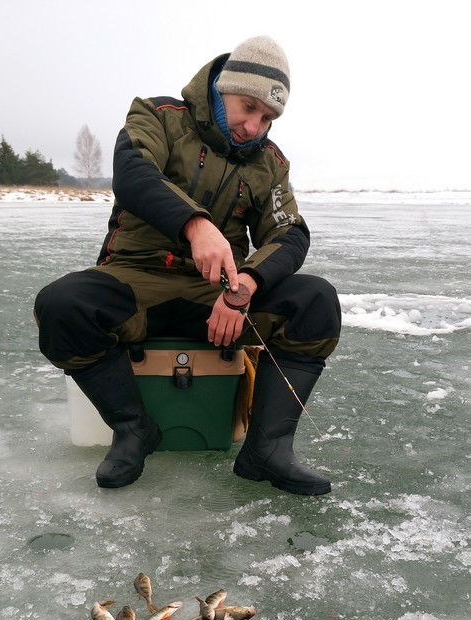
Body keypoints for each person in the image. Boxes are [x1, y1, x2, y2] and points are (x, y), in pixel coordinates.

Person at [34, 35, 341, 495]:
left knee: (315, 301)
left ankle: (266, 450)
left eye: (268, 118)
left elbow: (289, 232)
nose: (254, 127)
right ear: (222, 88)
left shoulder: (269, 163)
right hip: (135, 283)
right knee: (62, 305)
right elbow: (134, 173)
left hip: (217, 298)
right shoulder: (157, 116)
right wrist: (195, 225)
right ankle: (133, 428)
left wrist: (247, 285)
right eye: (247, 108)